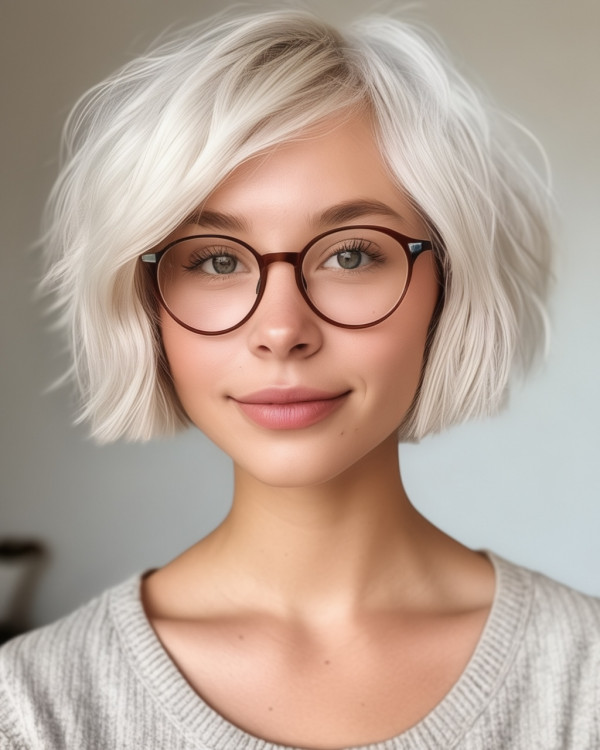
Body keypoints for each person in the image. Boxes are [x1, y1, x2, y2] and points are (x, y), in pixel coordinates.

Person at [0, 9, 598, 750]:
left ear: (448, 285)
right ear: (146, 303)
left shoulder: (584, 684)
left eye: (351, 253)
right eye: (215, 260)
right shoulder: (30, 708)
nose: (281, 330)